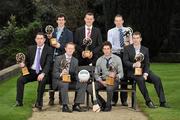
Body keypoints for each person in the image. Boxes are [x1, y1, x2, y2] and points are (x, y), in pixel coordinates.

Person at [123, 31, 169, 108]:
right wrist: (133, 64)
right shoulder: (127, 48)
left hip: (143, 71)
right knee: (140, 79)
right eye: (134, 38)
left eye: (137, 38)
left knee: (157, 79)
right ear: (132, 39)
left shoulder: (145, 49)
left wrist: (146, 74)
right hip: (132, 72)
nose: (135, 40)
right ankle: (148, 101)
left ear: (140, 39)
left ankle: (162, 102)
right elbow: (125, 61)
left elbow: (147, 63)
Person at [15, 32, 53, 111]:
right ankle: (19, 101)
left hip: (42, 72)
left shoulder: (49, 49)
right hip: (31, 72)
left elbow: (48, 64)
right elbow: (27, 61)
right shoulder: (30, 48)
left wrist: (43, 73)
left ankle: (39, 103)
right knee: (20, 80)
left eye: (41, 38)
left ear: (44, 40)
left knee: (42, 81)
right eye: (38, 38)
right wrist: (23, 64)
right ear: (35, 40)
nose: (39, 40)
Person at [87, 41, 124, 112]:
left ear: (111, 49)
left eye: (108, 48)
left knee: (109, 88)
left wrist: (115, 75)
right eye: (104, 49)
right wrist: (101, 81)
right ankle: (103, 103)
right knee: (89, 88)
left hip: (114, 80)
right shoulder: (99, 60)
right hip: (103, 80)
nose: (106, 50)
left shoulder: (117, 59)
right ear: (102, 50)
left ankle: (108, 105)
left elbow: (121, 74)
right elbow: (96, 74)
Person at [52, 42, 87, 112]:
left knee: (83, 83)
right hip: (59, 81)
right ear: (65, 49)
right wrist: (61, 74)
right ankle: (65, 106)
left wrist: (80, 79)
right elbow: (54, 73)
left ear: (74, 50)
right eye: (69, 48)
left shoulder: (75, 60)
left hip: (70, 81)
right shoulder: (58, 58)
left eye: (72, 48)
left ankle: (76, 105)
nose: (70, 50)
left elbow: (76, 74)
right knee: (65, 83)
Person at [47, 13, 73, 105]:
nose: (61, 21)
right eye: (59, 20)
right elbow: (48, 44)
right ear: (57, 21)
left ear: (65, 21)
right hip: (52, 58)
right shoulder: (52, 32)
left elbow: (70, 46)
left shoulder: (69, 33)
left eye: (62, 20)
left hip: (62, 58)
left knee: (62, 76)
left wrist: (60, 46)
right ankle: (51, 98)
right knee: (52, 77)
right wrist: (49, 38)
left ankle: (62, 98)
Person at [107, 14, 132, 106]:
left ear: (123, 21)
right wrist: (121, 47)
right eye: (116, 21)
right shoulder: (110, 31)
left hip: (126, 55)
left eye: (120, 20)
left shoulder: (128, 30)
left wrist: (127, 46)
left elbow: (131, 43)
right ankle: (114, 99)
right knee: (113, 75)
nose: (118, 22)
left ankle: (124, 100)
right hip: (115, 55)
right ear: (114, 22)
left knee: (124, 76)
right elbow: (110, 45)